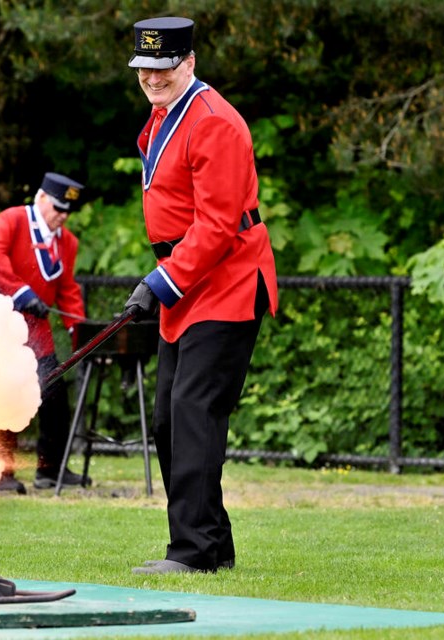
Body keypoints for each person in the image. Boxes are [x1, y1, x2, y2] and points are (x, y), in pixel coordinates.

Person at [120, 16, 279, 573]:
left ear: (188, 62)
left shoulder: (213, 121)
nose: (153, 78)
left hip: (228, 281)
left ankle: (192, 553)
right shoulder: (166, 114)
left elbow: (216, 226)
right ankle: (212, 545)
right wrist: (163, 279)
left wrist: (159, 281)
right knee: (170, 418)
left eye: (163, 68)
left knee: (192, 412)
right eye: (145, 68)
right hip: (189, 282)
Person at [0, 171, 93, 494]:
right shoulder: (12, 220)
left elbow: (68, 289)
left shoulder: (67, 242)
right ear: (41, 198)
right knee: (4, 397)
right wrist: (22, 292)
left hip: (38, 333)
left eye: (68, 211)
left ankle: (50, 469)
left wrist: (79, 332)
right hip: (2, 325)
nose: (62, 216)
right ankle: (1, 473)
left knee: (55, 397)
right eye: (58, 208)